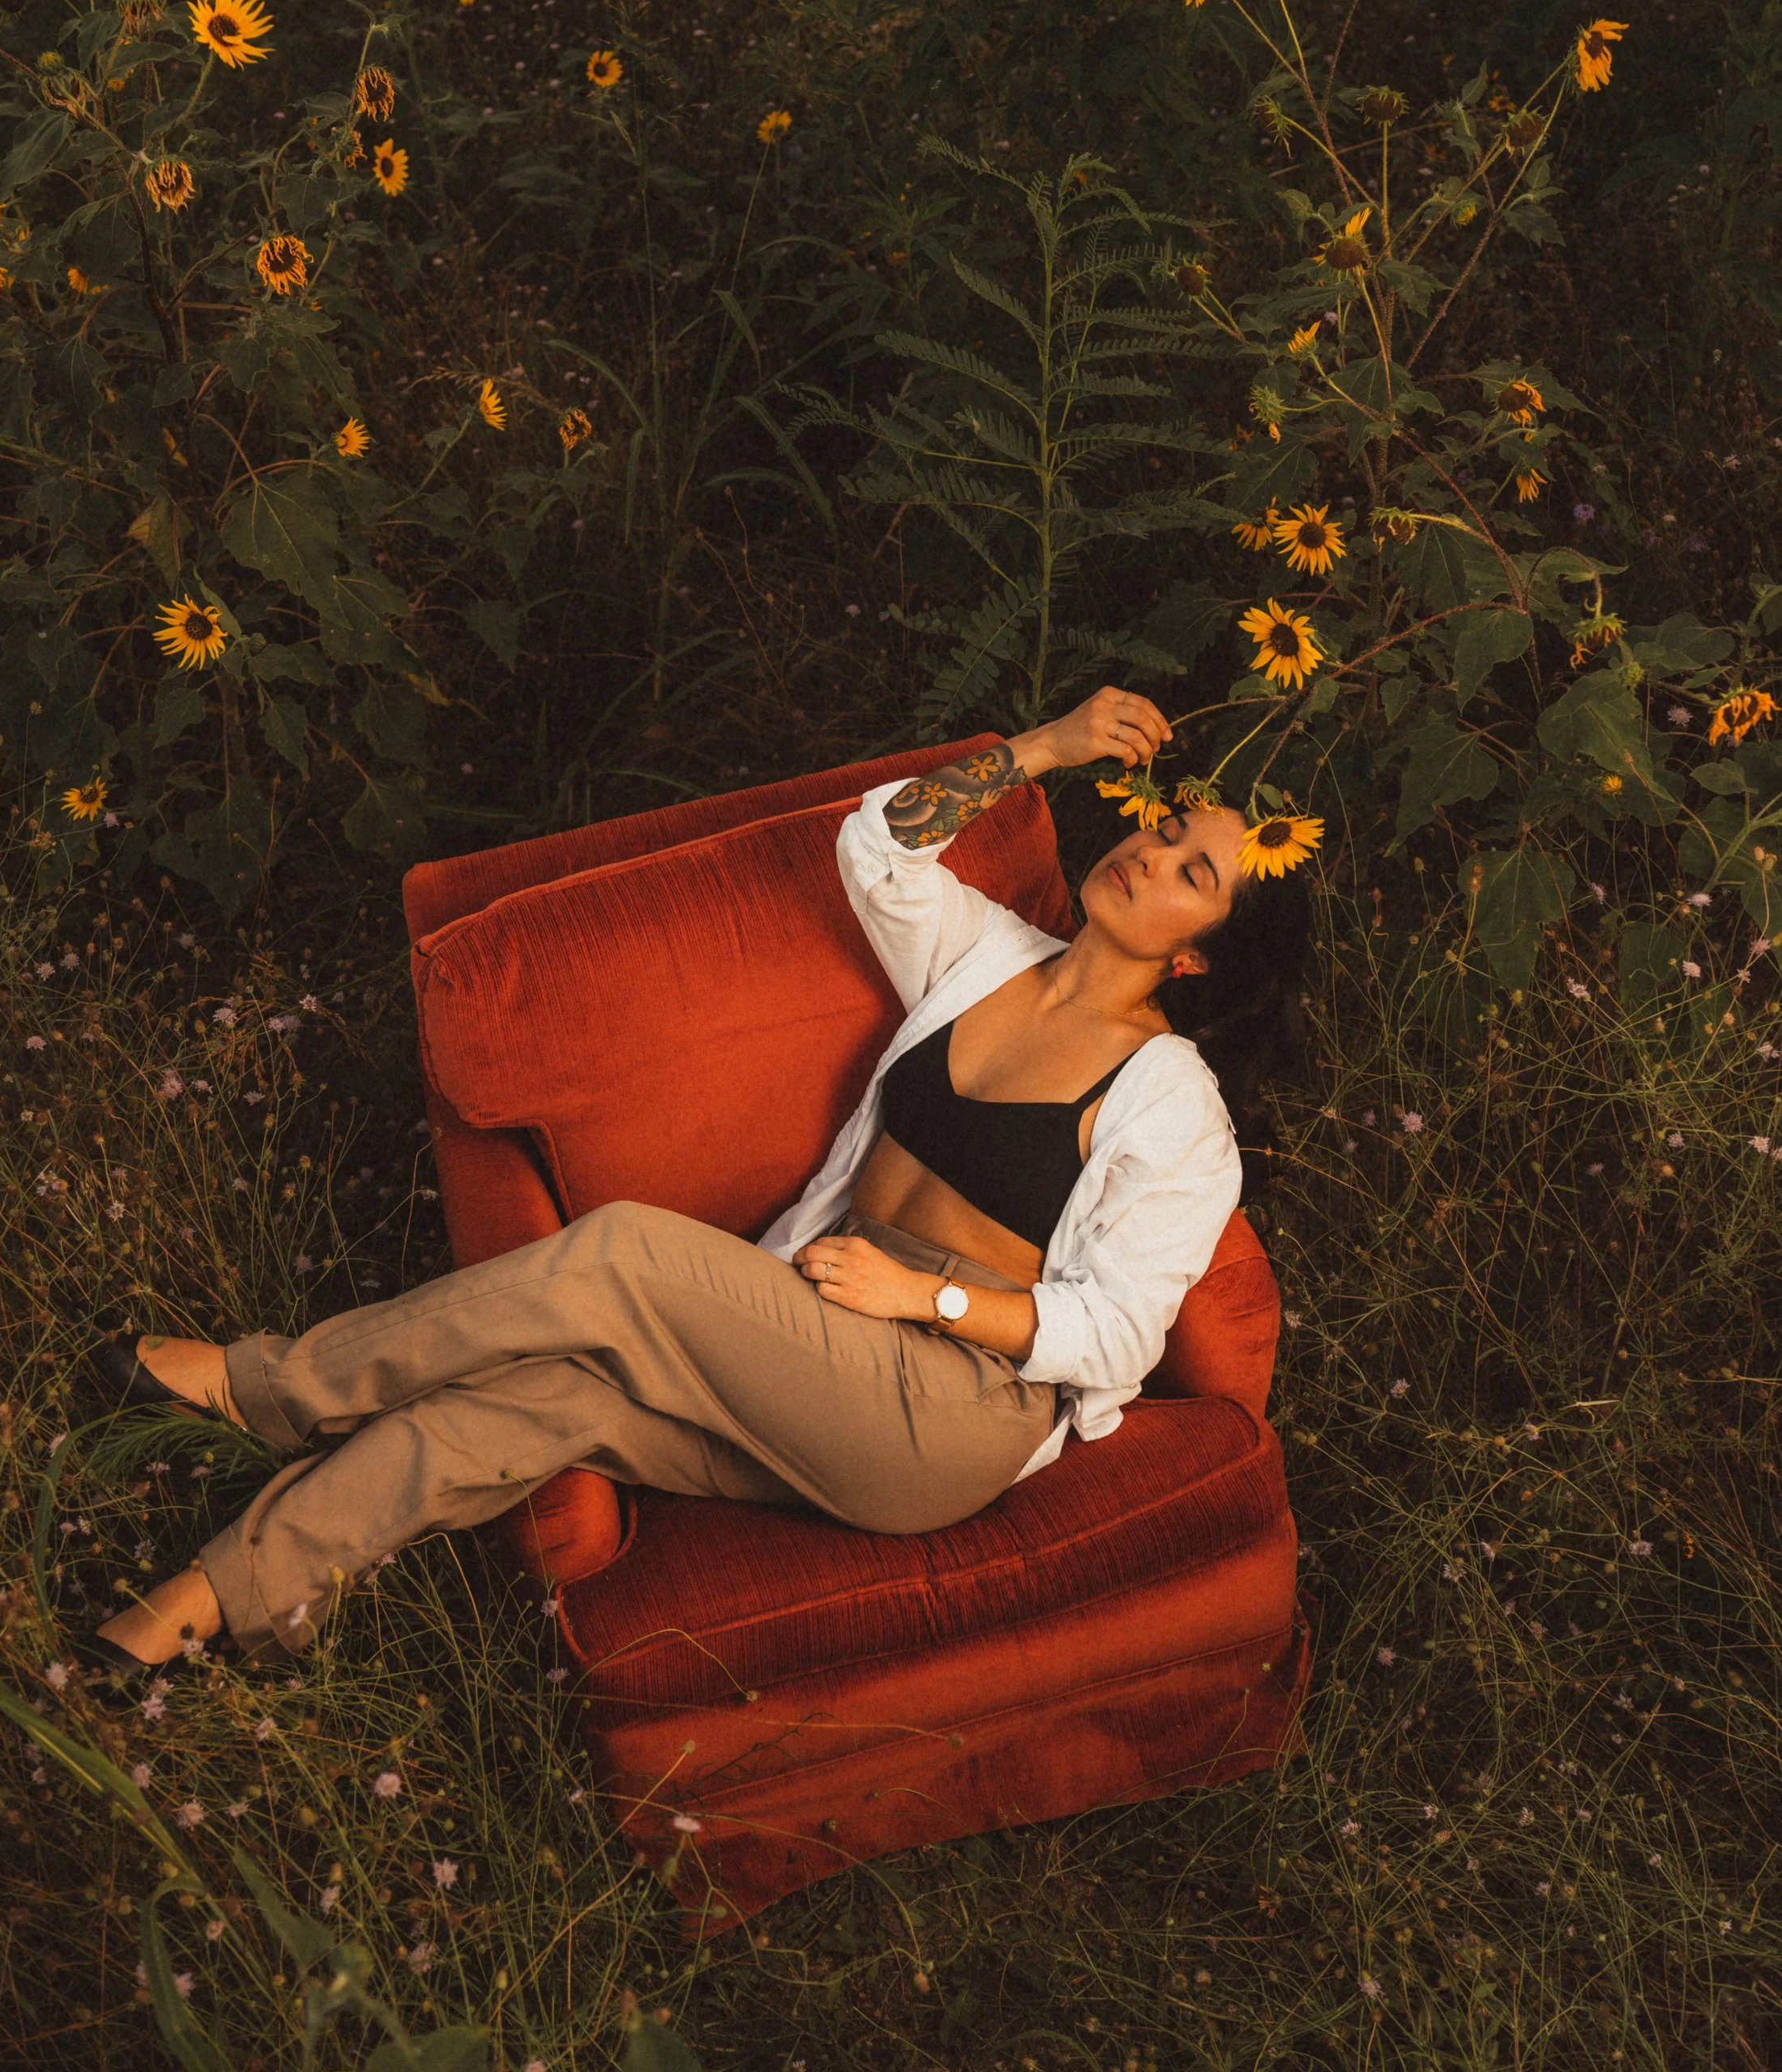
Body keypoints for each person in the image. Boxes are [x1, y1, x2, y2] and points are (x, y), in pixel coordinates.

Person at [81, 686, 1310, 1675]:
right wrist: (1040, 747)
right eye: (1165, 832)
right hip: (816, 1344)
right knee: (552, 1402)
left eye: (1192, 874)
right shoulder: (992, 951)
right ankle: (215, 1596)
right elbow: (877, 843)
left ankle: (274, 1385)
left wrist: (919, 1299)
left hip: (947, 1411)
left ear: (1198, 956)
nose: (1151, 859)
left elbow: (1118, 1334)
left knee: (622, 1249)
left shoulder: (1174, 1103)